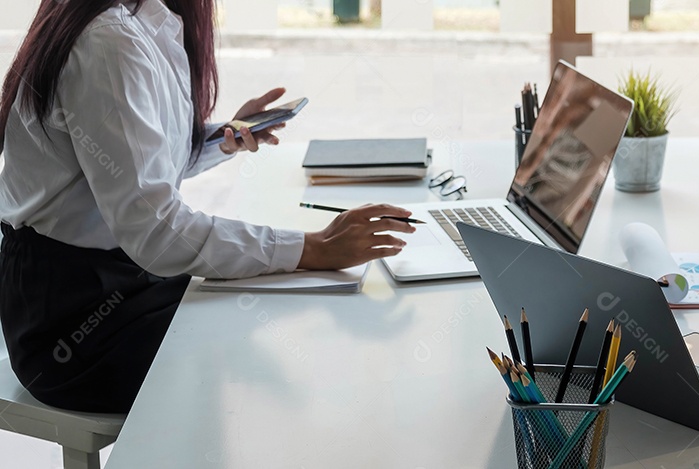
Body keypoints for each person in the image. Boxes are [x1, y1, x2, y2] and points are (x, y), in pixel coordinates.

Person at [0, 0, 415, 413]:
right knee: (255, 345)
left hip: (118, 276)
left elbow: (139, 165)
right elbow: (156, 232)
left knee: (268, 308)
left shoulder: (143, 20)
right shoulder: (108, 41)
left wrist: (221, 138)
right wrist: (312, 248)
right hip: (72, 323)